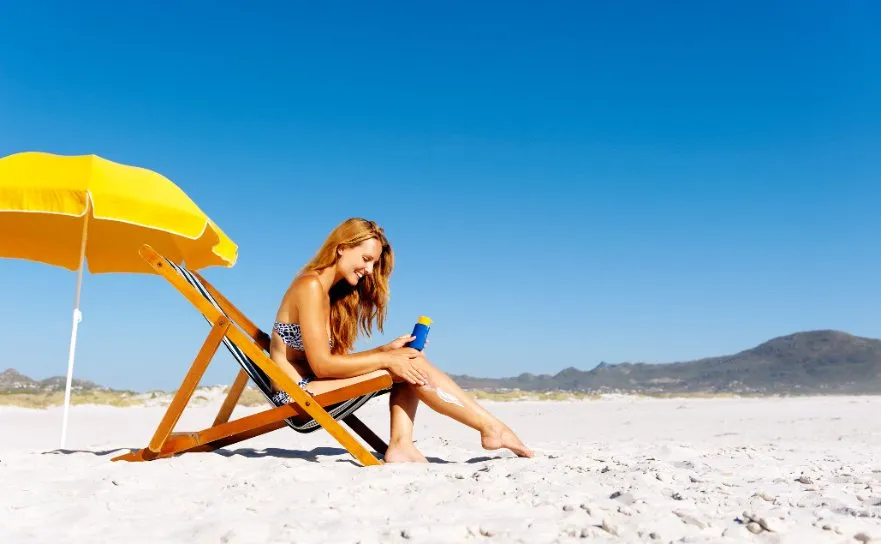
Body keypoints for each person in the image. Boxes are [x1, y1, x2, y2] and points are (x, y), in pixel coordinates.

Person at [268, 217, 533, 463]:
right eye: (366, 258)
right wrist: (386, 359)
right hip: (296, 396)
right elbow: (323, 366)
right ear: (341, 248)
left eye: (373, 263)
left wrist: (386, 350)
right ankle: (492, 429)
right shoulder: (310, 286)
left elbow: (326, 364)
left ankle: (403, 444)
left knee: (407, 359)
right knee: (403, 364)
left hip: (312, 387)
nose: (370, 270)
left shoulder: (326, 293)